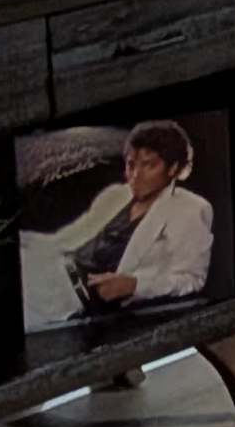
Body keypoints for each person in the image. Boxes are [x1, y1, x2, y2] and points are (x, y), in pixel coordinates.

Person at [59, 121, 215, 314]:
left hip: (105, 316)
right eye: (131, 165)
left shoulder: (191, 209)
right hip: (61, 292)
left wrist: (133, 285)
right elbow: (67, 239)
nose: (135, 175)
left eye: (148, 165)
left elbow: (192, 279)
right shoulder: (115, 195)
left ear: (173, 168)